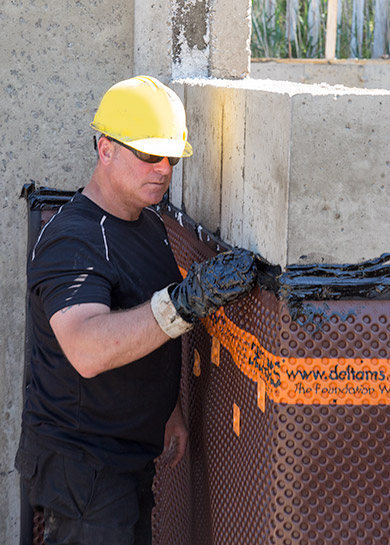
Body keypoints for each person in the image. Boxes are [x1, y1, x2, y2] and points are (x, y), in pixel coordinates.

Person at [15, 75, 257, 545]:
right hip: (83, 467)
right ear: (106, 149)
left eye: (171, 157)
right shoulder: (74, 240)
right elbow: (87, 348)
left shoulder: (147, 224)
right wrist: (183, 304)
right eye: (148, 154)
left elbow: (140, 323)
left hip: (126, 456)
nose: (164, 169)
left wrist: (168, 409)